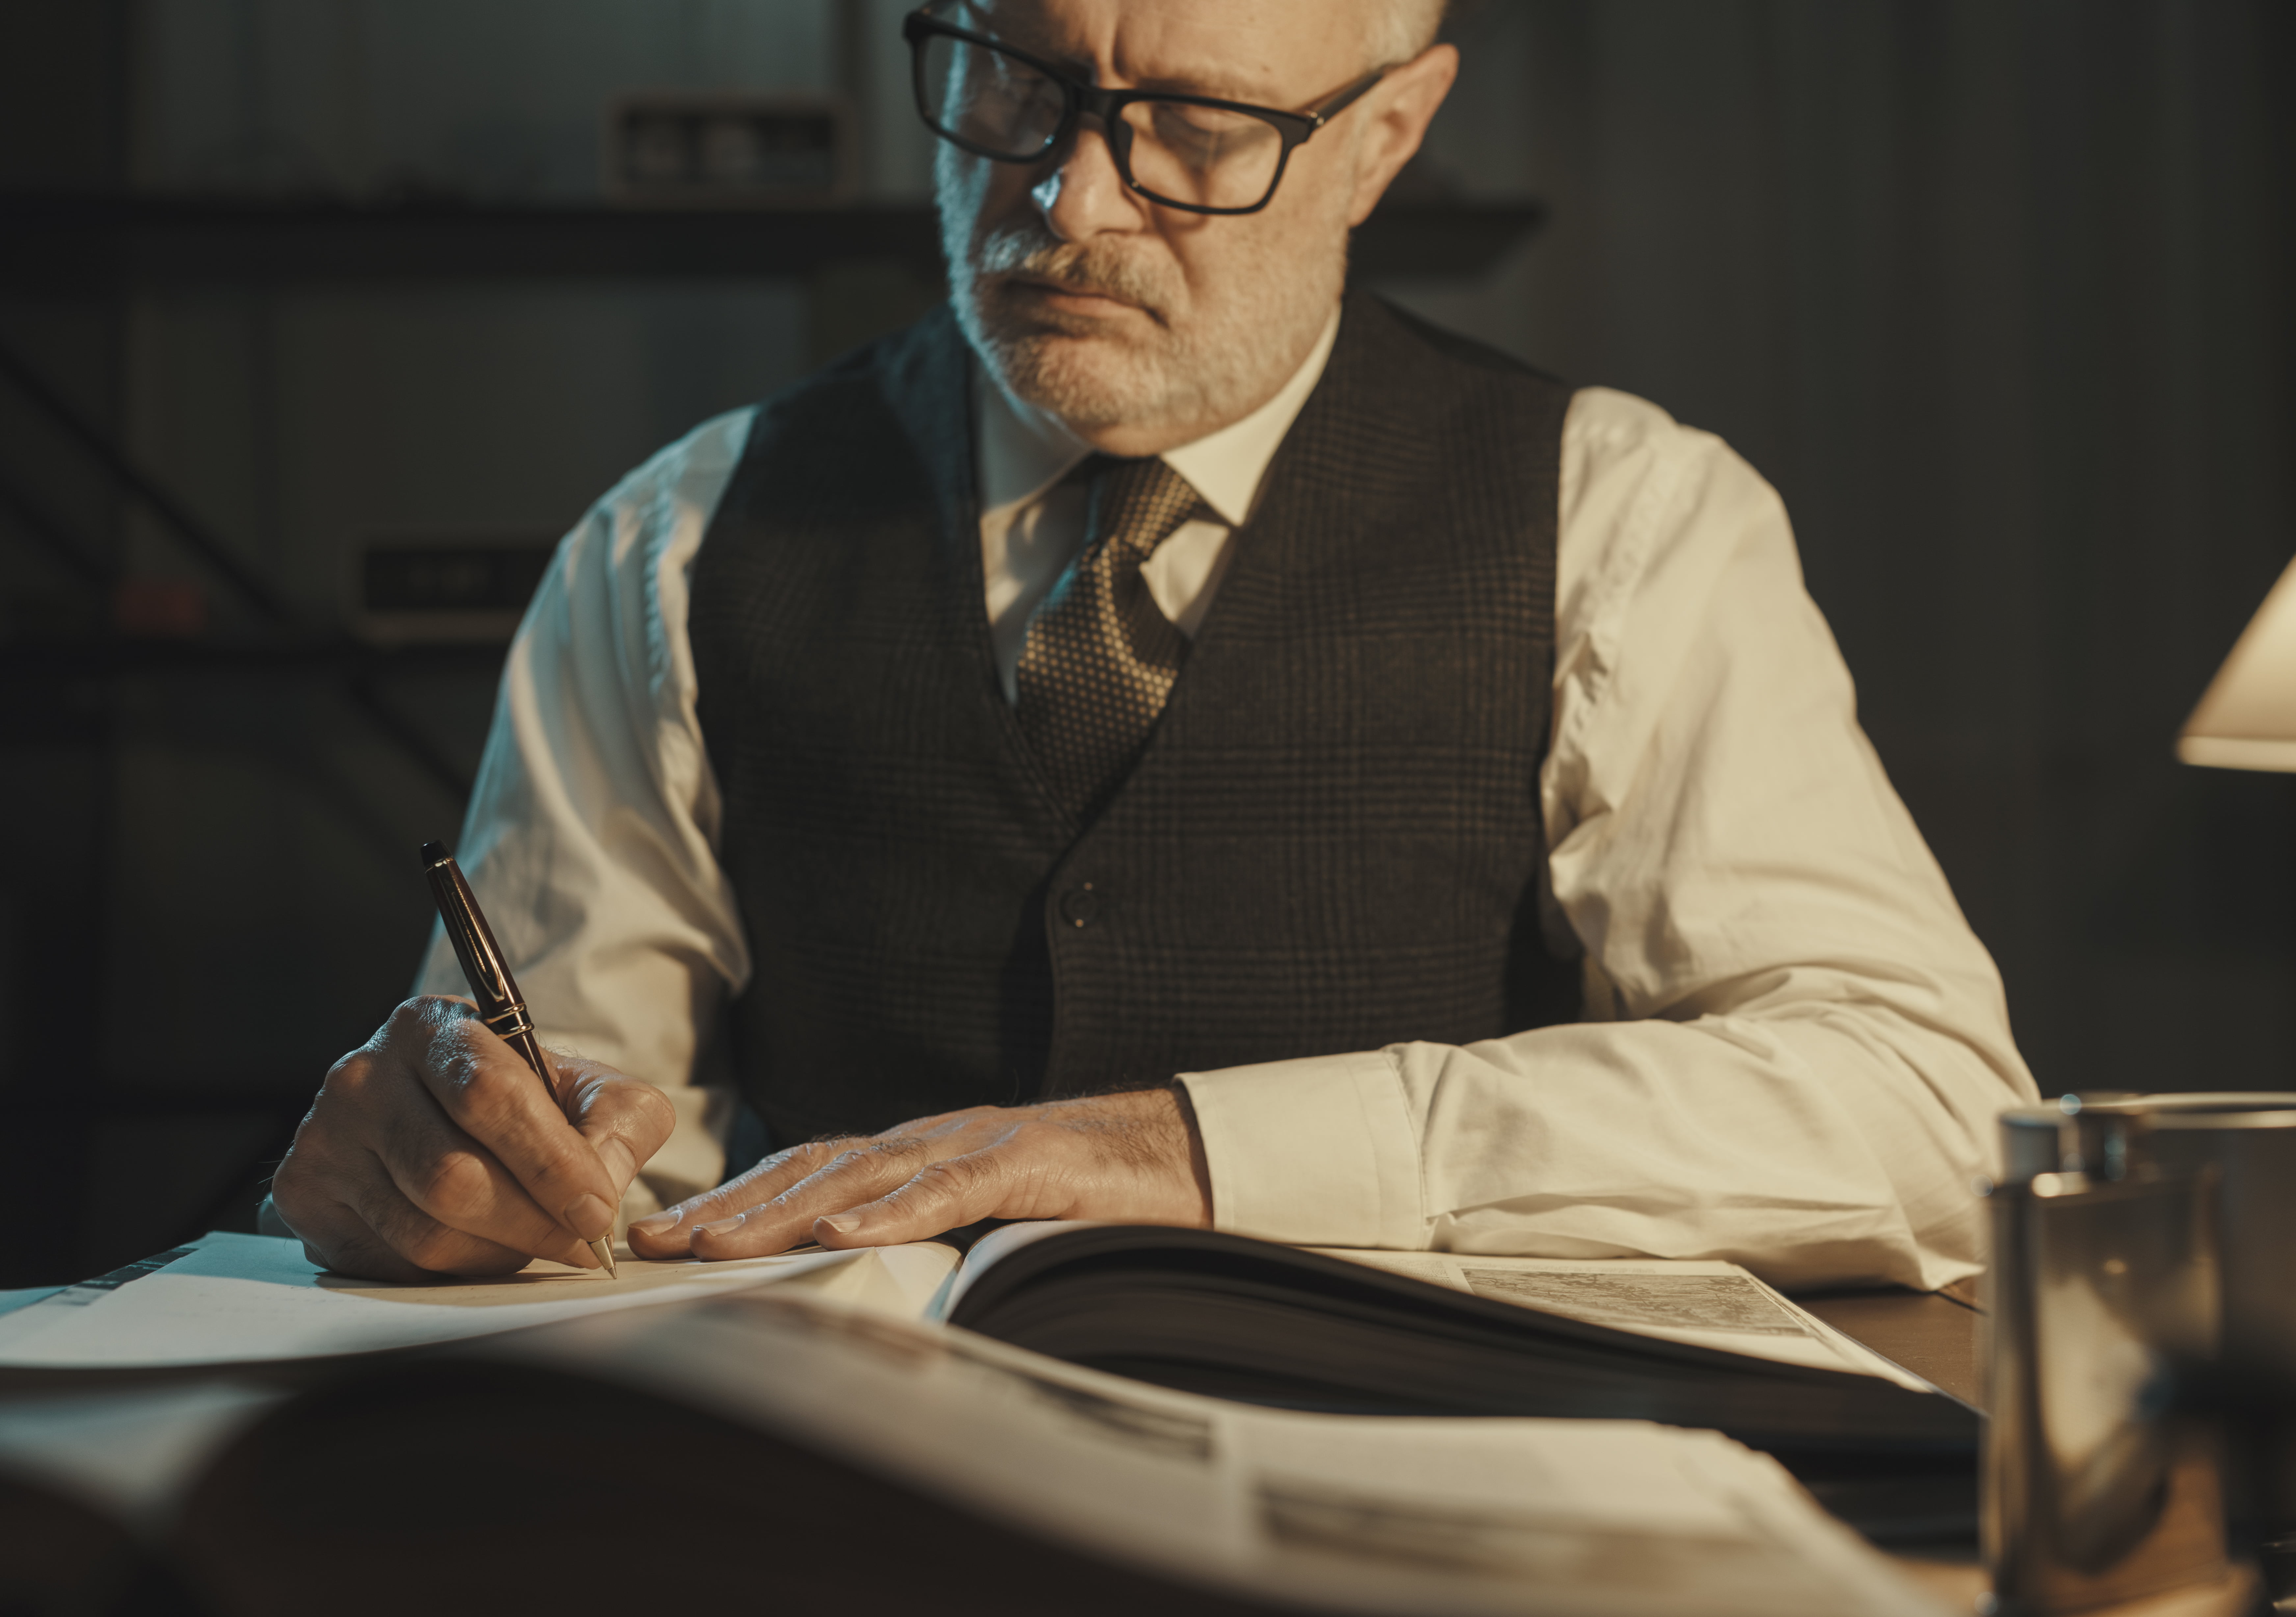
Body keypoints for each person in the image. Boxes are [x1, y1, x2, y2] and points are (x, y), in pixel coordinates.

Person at [267, 0, 2034, 1290]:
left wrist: (1190, 1146)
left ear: (1387, 137)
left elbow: (1925, 1107)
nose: (1072, 208)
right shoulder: (673, 543)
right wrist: (446, 1179)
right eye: (1014, 80)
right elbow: (564, 1113)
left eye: (1196, 128)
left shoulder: (1632, 522)